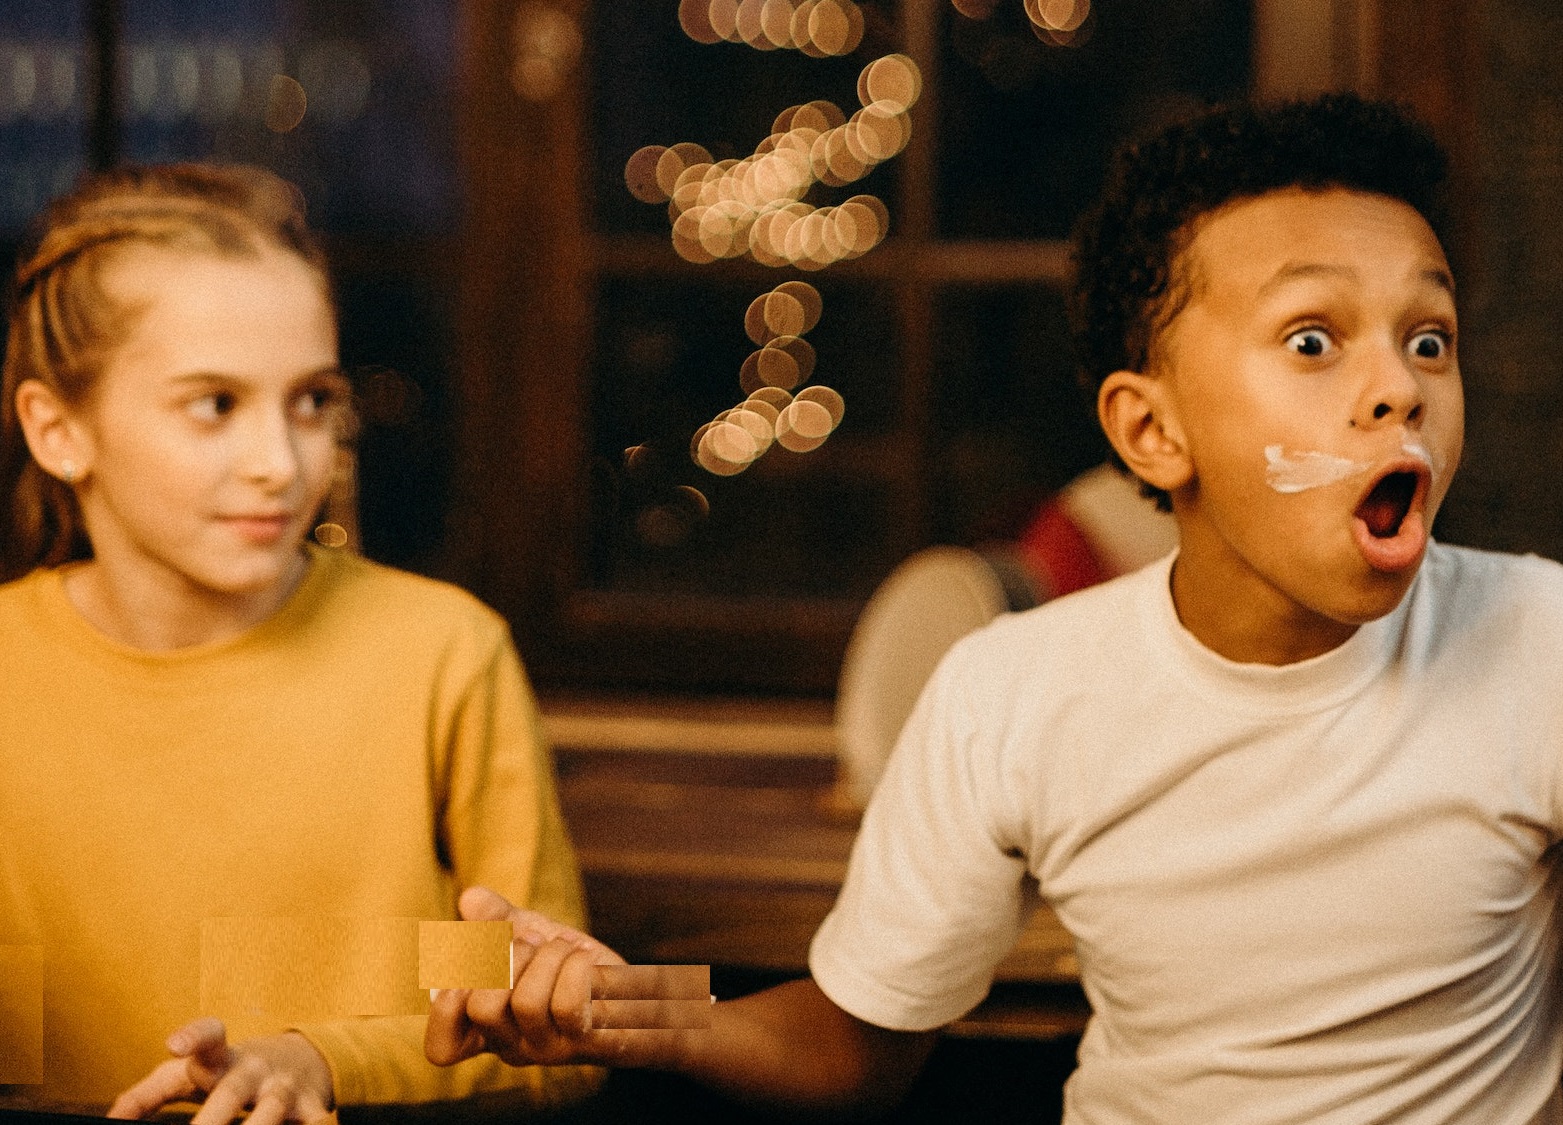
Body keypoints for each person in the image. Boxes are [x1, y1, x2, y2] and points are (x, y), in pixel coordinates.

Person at [421, 93, 1563, 1123]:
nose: (1400, 387)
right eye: (1312, 339)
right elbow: (850, 1042)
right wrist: (622, 1007)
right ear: (1151, 432)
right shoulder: (1011, 691)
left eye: (1429, 340)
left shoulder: (1538, 646)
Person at [0, 163, 598, 1120]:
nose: (281, 464)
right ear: (59, 427)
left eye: (312, 401)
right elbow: (22, 1046)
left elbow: (548, 1035)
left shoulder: (434, 657)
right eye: (215, 404)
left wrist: (325, 1059)